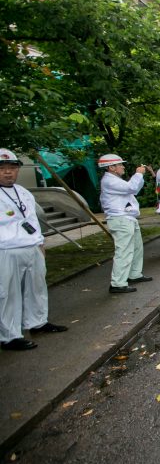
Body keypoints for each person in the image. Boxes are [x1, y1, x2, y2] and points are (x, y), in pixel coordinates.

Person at [0, 148, 67, 350]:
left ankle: (38, 321)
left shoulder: (23, 192)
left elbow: (33, 220)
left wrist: (40, 242)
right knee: (8, 293)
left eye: (12, 168)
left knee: (36, 287)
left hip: (30, 246)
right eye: (2, 169)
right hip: (6, 249)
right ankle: (9, 335)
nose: (8, 172)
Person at [99, 153, 153, 293]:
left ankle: (134, 274)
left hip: (127, 218)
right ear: (112, 167)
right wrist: (138, 174)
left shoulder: (115, 179)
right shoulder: (109, 181)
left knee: (136, 248)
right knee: (124, 251)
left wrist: (139, 176)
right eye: (120, 164)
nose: (123, 167)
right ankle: (117, 283)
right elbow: (132, 188)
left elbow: (134, 189)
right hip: (121, 219)